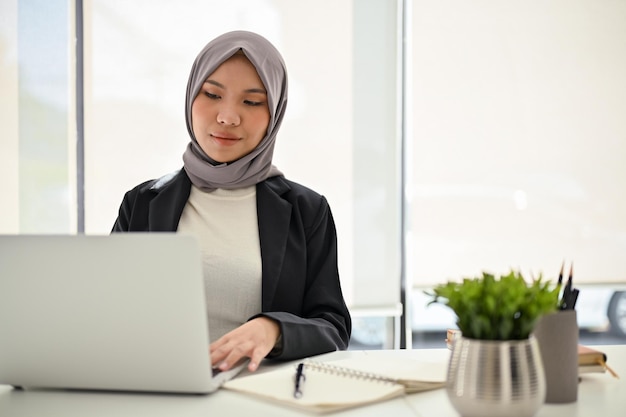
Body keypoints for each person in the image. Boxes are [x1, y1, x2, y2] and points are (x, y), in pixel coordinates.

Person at [111, 30, 351, 373]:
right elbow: (109, 312)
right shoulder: (142, 202)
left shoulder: (307, 210)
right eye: (211, 94)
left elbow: (333, 326)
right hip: (159, 389)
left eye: (251, 101)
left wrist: (274, 329)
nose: (227, 117)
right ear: (191, 96)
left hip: (265, 394)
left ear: (275, 113)